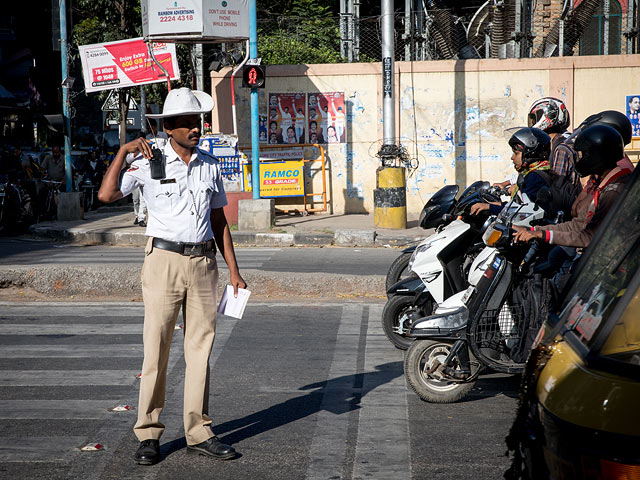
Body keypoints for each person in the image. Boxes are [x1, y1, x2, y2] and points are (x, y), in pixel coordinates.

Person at [97, 87, 246, 466]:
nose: (195, 128)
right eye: (186, 123)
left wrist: (234, 270)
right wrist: (122, 151)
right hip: (162, 260)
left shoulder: (210, 165)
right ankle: (148, 433)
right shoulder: (149, 161)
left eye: (197, 122)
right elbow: (106, 195)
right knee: (157, 349)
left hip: (203, 264)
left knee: (200, 351)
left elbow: (218, 220)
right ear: (169, 128)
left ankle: (198, 432)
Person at [514, 124, 631, 250]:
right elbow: (577, 226)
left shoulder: (614, 192)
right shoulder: (601, 185)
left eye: (582, 156)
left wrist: (542, 234)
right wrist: (533, 230)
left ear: (596, 156)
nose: (579, 160)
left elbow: (589, 237)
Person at [471, 127, 551, 216]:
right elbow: (517, 205)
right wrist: (489, 205)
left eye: (516, 153)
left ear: (530, 154)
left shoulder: (534, 178)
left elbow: (521, 211)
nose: (512, 157)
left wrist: (489, 207)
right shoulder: (539, 172)